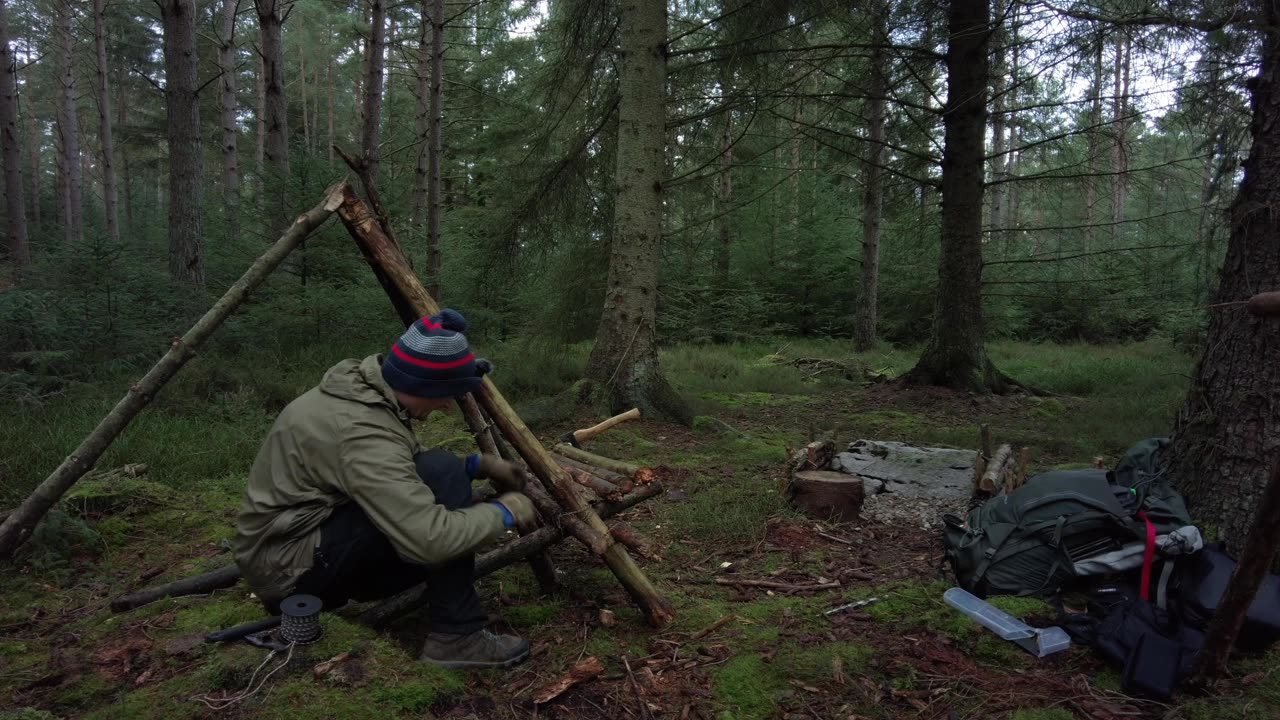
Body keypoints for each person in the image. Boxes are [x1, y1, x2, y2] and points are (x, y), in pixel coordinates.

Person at [233, 309, 538, 668]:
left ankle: (455, 624)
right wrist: (508, 511)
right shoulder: (361, 431)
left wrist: (471, 467)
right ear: (423, 386)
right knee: (443, 515)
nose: (446, 405)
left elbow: (394, 472)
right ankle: (458, 636)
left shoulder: (362, 393)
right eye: (447, 395)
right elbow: (430, 540)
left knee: (442, 470)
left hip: (290, 550)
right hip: (291, 578)